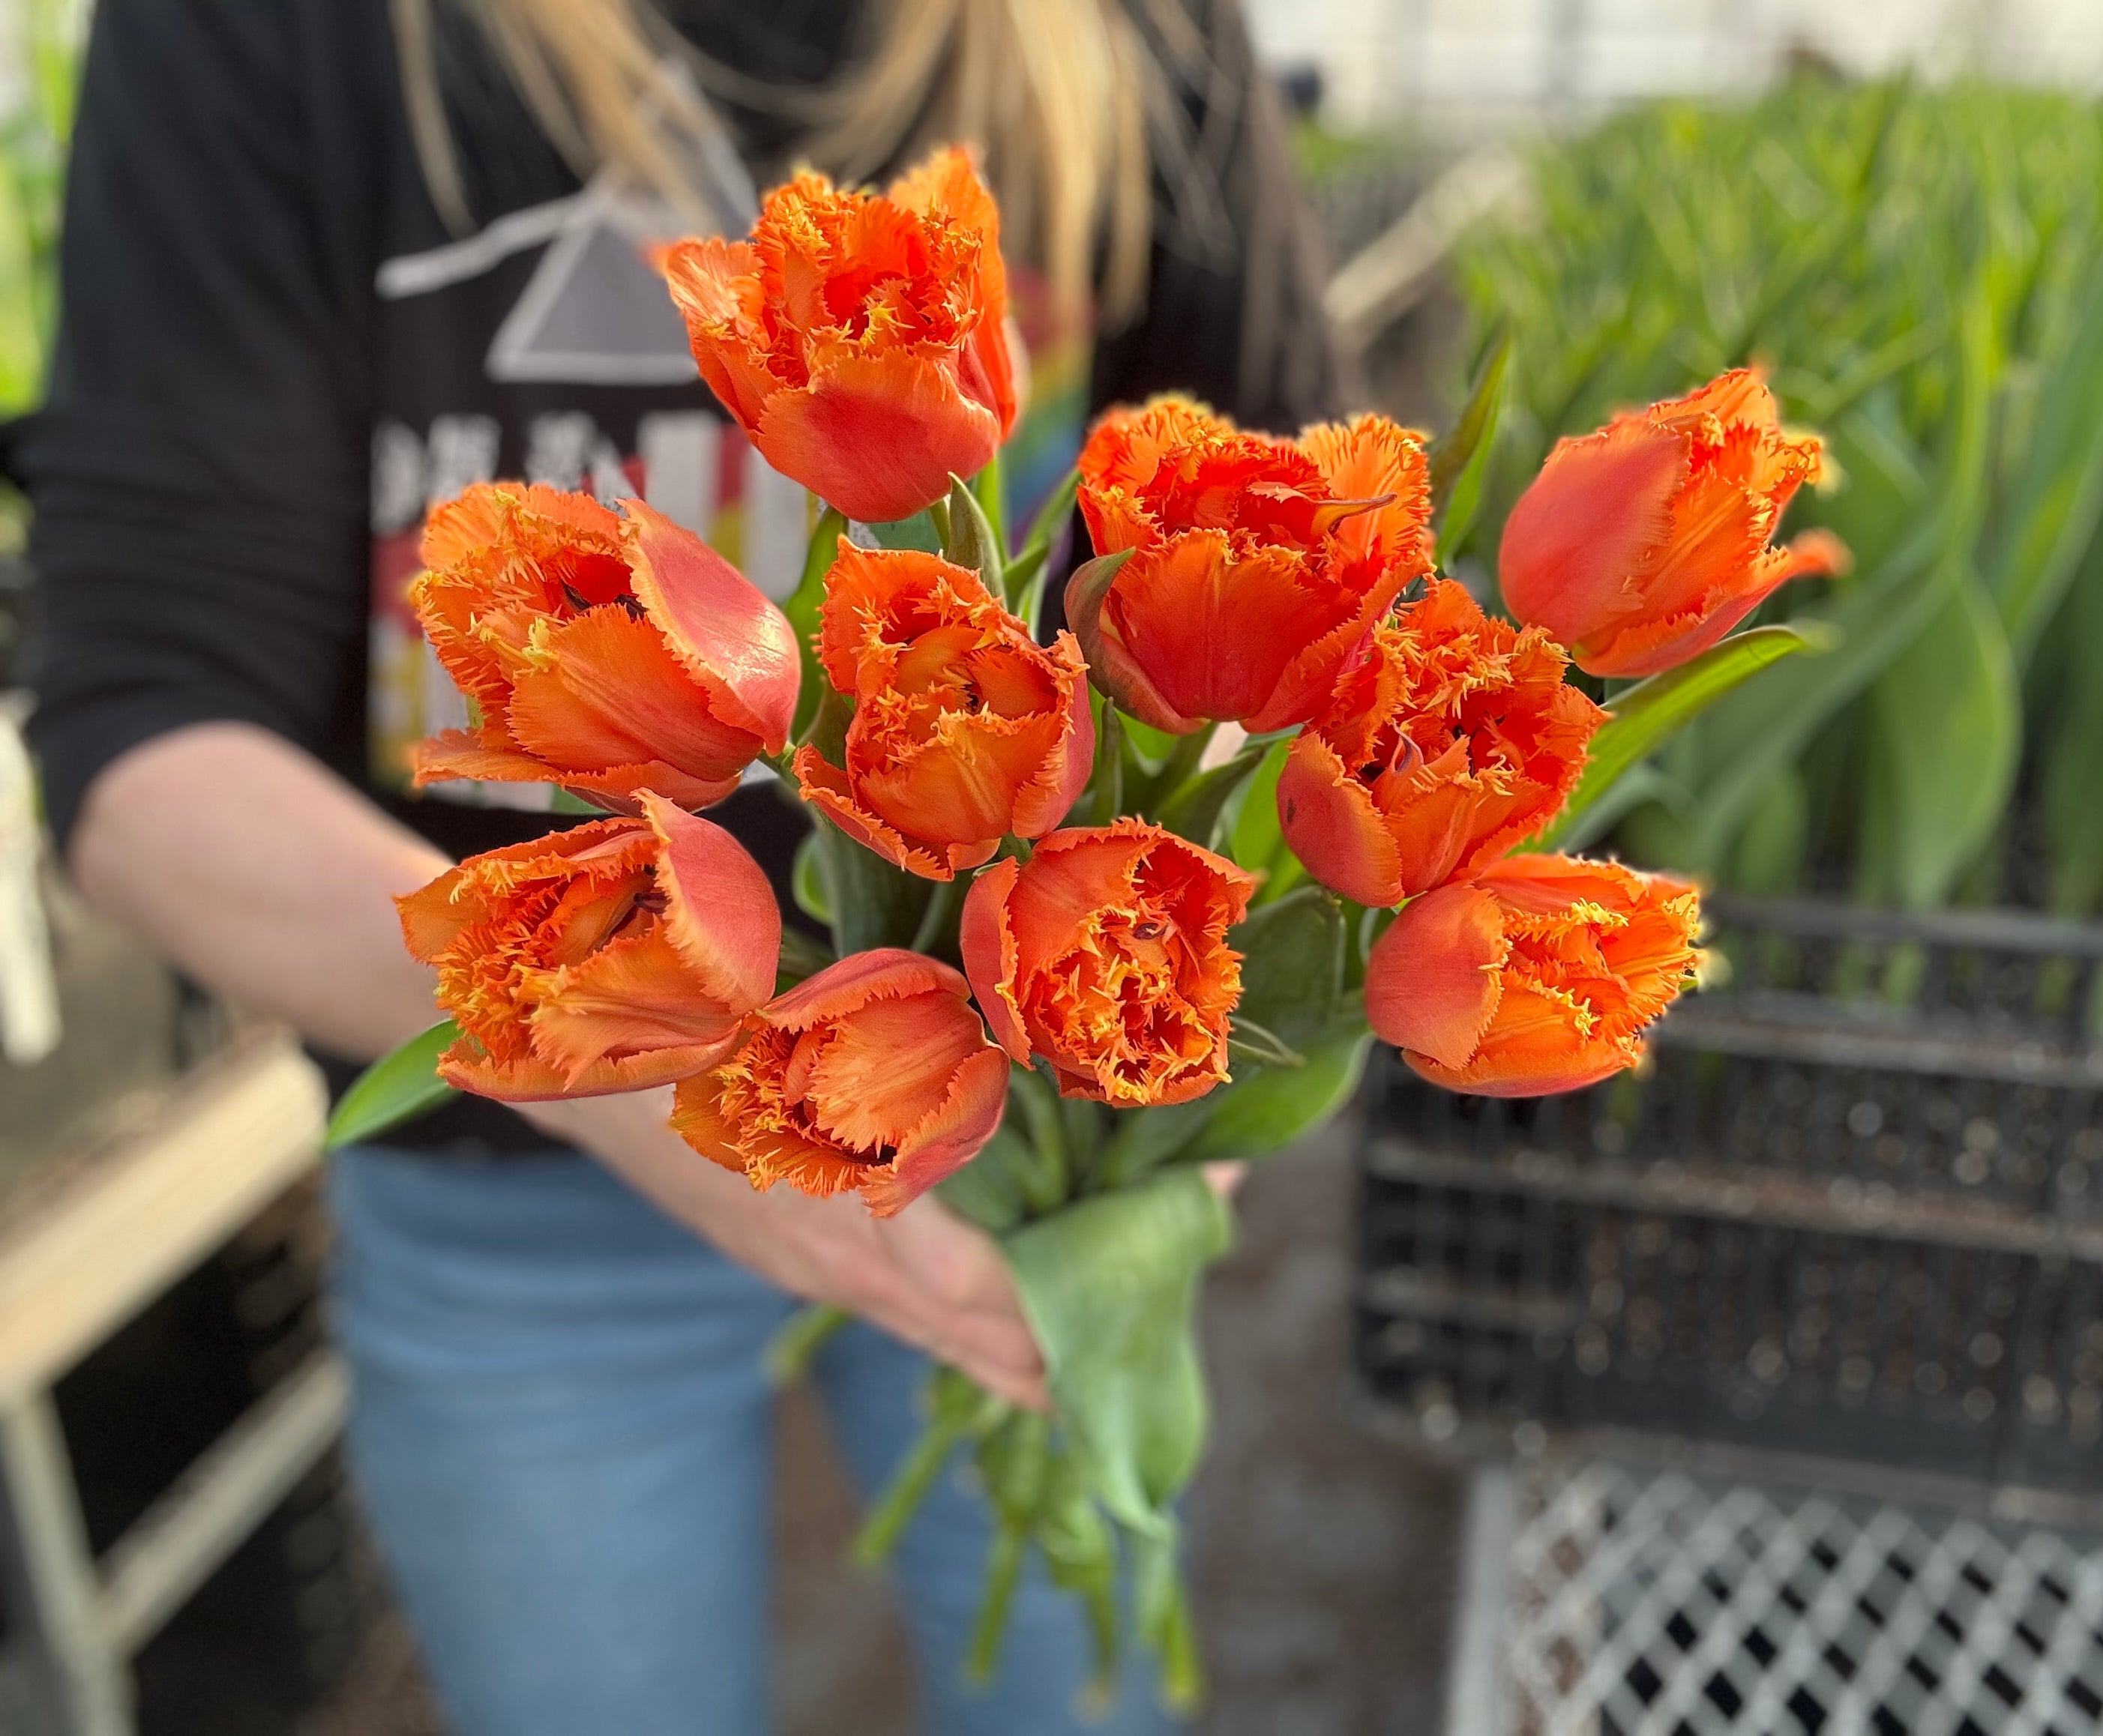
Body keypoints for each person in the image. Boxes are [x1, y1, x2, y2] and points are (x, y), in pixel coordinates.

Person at [22, 1, 1341, 1732]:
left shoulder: (1132, 32)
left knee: (1066, 1677)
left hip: (1031, 1168)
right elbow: (135, 735)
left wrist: (1158, 1116)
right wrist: (658, 1081)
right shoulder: (280, 35)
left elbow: (1303, 560)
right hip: (513, 1205)